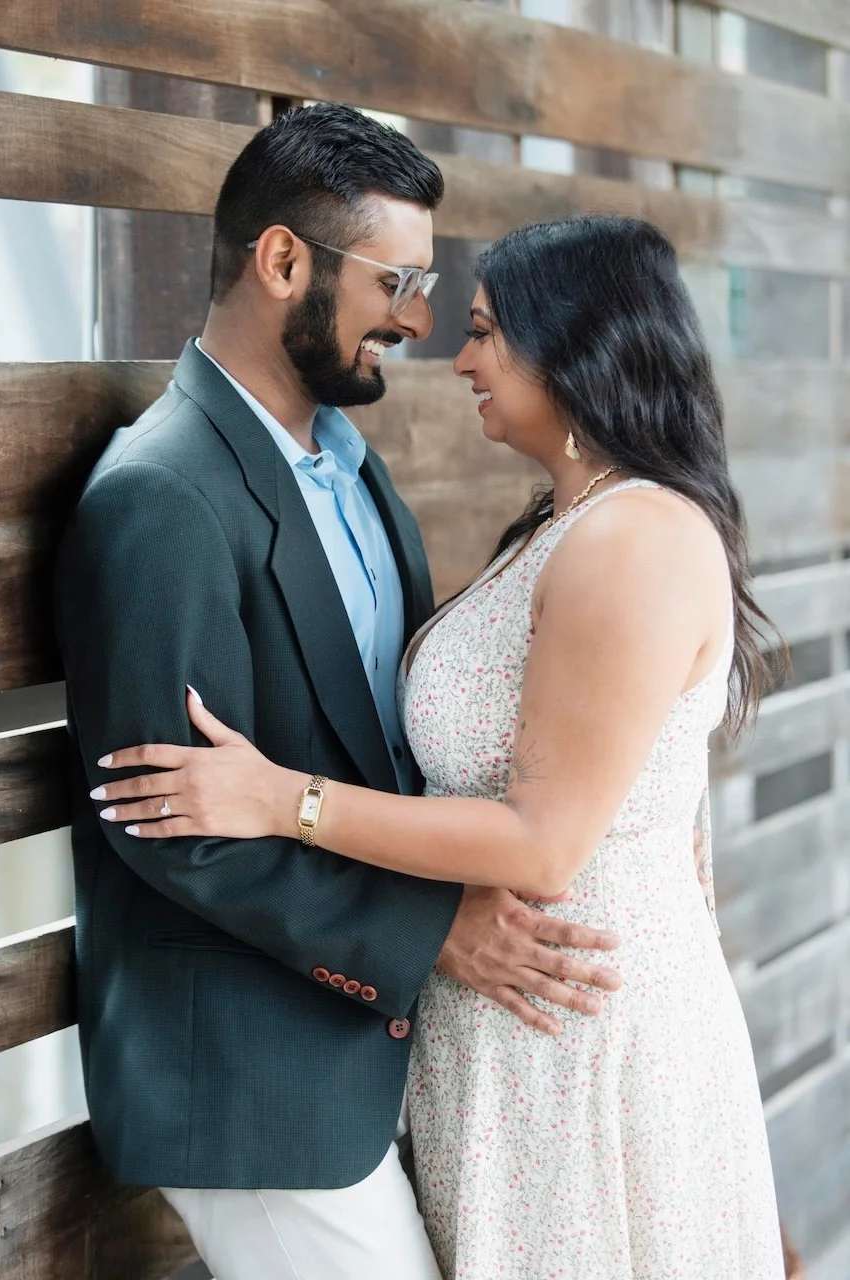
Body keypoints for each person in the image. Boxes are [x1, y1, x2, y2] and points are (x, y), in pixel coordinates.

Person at [98, 215, 787, 1278]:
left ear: (573, 341)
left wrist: (285, 798)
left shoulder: (633, 536)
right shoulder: (559, 526)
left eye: (484, 331)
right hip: (506, 1039)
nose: (457, 354)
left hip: (576, 1037)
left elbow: (544, 838)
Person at [54, 108, 621, 1280]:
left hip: (363, 1055)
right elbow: (174, 828)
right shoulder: (158, 495)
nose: (417, 318)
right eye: (398, 279)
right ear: (281, 263)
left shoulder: (356, 475)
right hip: (251, 1085)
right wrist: (435, 931)